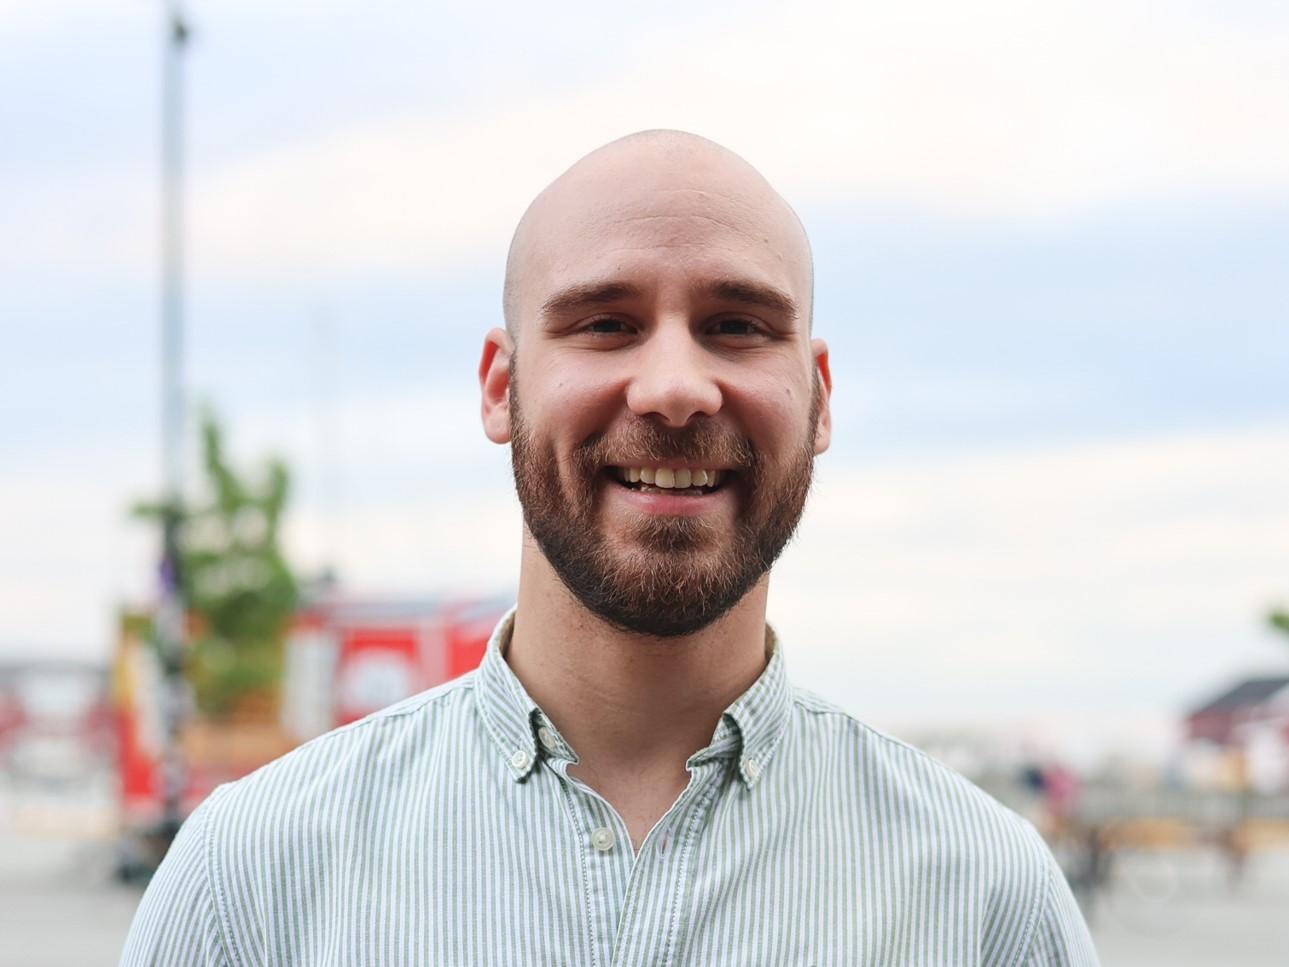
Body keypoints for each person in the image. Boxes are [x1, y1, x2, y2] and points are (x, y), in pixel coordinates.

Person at [120, 131, 1099, 965]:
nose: (674, 387)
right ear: (500, 386)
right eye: (604, 324)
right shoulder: (253, 883)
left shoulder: (984, 902)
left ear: (819, 398)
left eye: (735, 325)